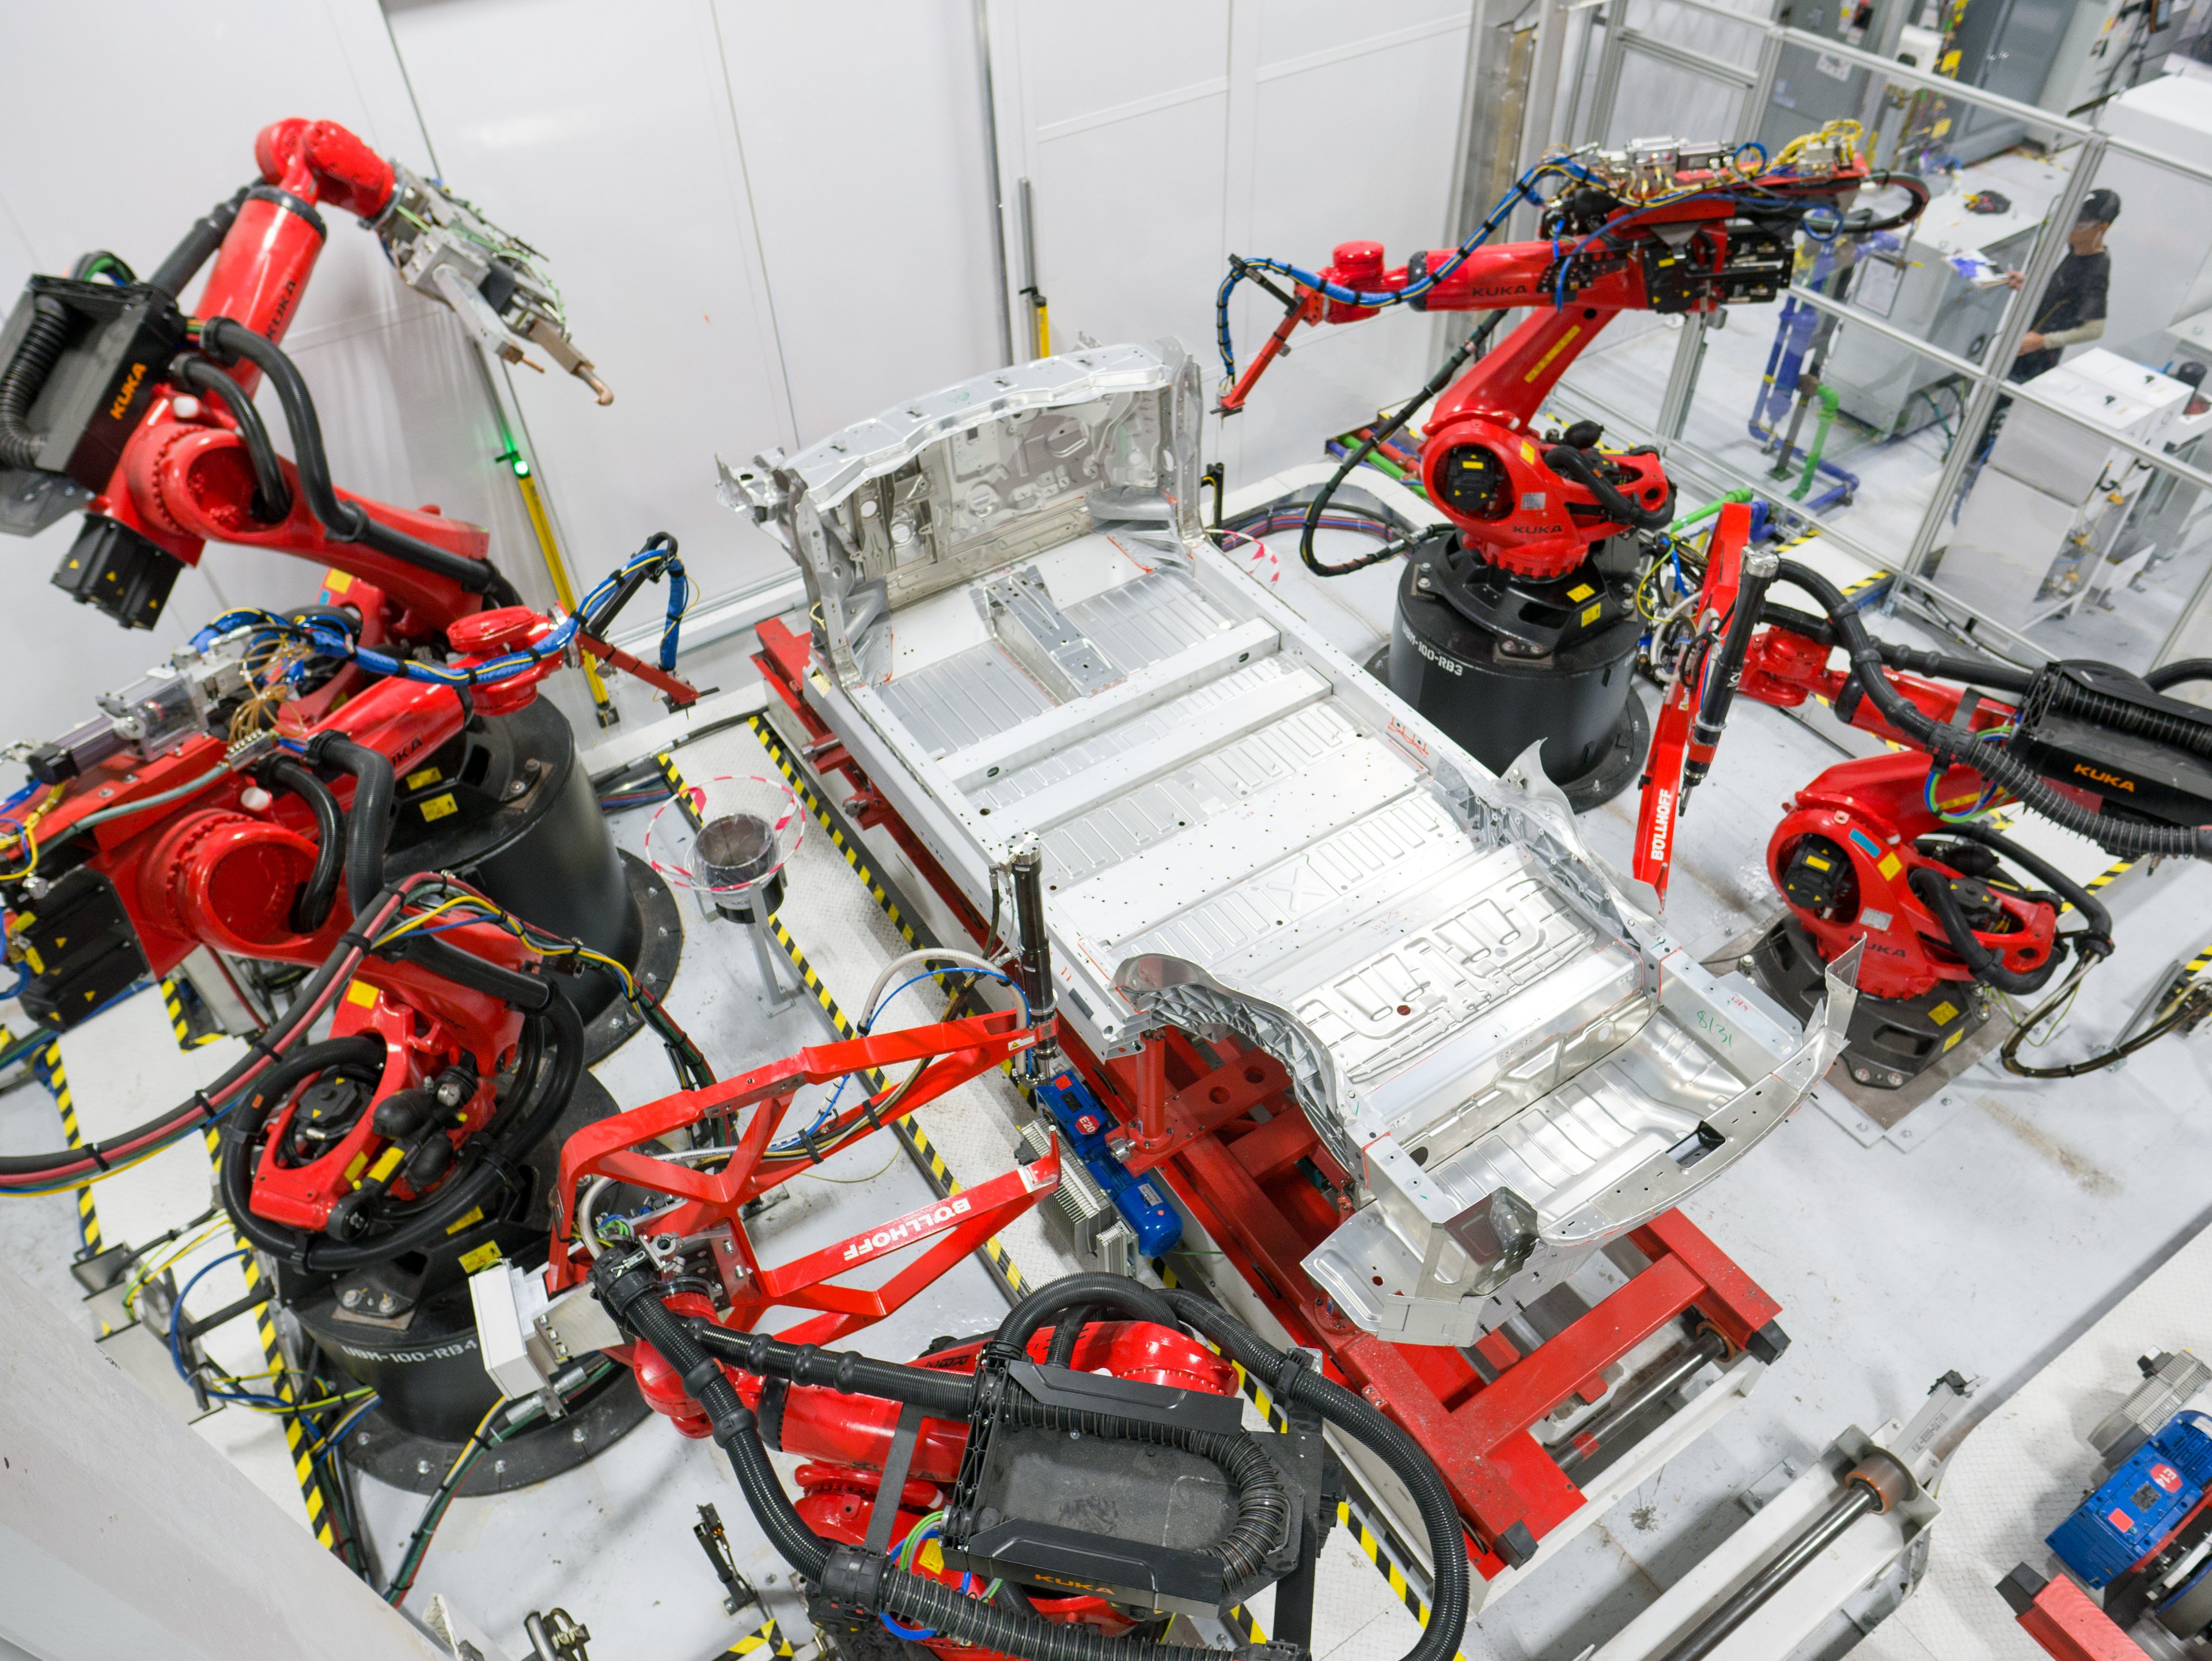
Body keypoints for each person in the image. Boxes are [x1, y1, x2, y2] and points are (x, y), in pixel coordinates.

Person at [2002, 187, 2120, 382]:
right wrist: (2032, 284)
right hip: (2023, 342)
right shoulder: (2078, 249)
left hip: (2034, 359)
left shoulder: (2095, 272)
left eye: (2080, 224)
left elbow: (2095, 329)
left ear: (2102, 228)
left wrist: (2042, 342)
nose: (2071, 229)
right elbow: (2066, 294)